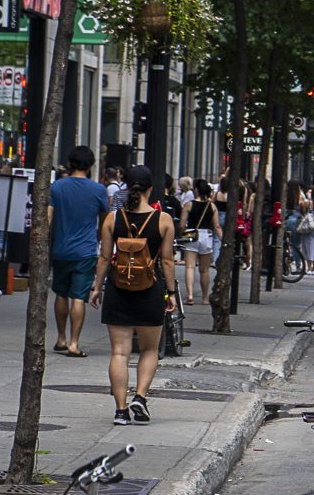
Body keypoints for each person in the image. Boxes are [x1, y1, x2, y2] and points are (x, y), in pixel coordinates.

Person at [89, 166, 177, 426]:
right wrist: (171, 292)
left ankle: (120, 410)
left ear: (126, 187)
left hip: (118, 289)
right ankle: (140, 396)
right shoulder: (163, 220)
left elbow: (105, 257)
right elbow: (168, 261)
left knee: (119, 352)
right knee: (150, 349)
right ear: (151, 188)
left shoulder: (112, 218)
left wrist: (97, 287)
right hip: (150, 289)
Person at [48, 146, 110, 357]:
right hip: (85, 250)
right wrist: (99, 239)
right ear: (91, 165)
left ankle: (61, 339)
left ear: (70, 163)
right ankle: (74, 344)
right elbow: (105, 221)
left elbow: (48, 218)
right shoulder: (99, 190)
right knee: (78, 297)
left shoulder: (57, 187)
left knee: (61, 293)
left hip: (61, 249)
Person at [179, 173, 220, 315]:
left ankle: (190, 296)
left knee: (190, 267)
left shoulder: (189, 205)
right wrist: (223, 240)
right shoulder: (212, 206)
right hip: (206, 236)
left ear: (196, 190)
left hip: (192, 235)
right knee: (205, 270)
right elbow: (217, 226)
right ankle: (205, 297)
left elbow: (182, 224)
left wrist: (181, 232)